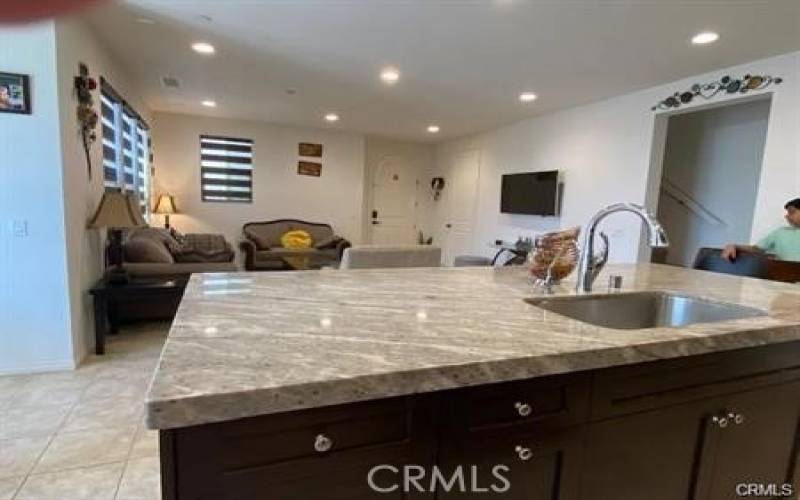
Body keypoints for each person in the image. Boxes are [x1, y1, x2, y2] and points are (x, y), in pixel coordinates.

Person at [722, 198, 800, 262]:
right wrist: (735, 246)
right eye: (787, 213)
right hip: (784, 277)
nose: (786, 216)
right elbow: (757, 249)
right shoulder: (781, 232)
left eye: (791, 212)